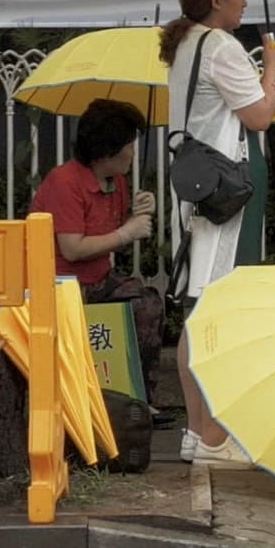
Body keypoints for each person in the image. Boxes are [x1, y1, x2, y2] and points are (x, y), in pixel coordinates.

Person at [162, 0, 275, 466]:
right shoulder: (222, 46)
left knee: (200, 311)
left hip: (194, 190)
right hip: (220, 195)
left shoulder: (187, 43)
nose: (245, 2)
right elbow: (259, 115)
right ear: (217, 0)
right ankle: (212, 435)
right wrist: (273, 68)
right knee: (210, 314)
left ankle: (199, 431)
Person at [33, 98, 164, 364]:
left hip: (99, 281)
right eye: (130, 146)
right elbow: (72, 248)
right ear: (107, 152)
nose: (134, 153)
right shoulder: (65, 182)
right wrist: (127, 233)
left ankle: (137, 395)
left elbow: (108, 235)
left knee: (148, 305)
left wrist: (137, 215)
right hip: (60, 286)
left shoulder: (116, 181)